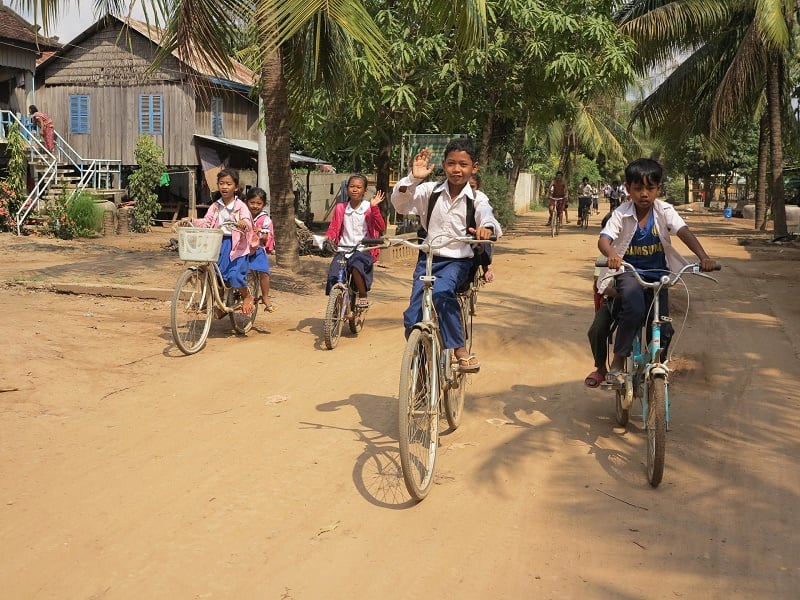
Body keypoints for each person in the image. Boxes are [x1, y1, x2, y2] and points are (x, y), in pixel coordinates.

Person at [597, 158, 717, 383]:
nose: (644, 194)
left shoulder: (665, 211)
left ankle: (656, 362)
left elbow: (683, 231)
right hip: (629, 272)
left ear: (658, 188)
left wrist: (704, 257)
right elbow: (604, 239)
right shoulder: (621, 214)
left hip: (658, 274)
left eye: (650, 188)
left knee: (664, 326)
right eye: (638, 188)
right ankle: (618, 361)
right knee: (632, 309)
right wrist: (612, 255)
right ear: (628, 189)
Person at [391, 138, 501, 373]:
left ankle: (460, 350)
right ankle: (420, 370)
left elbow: (487, 215)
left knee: (442, 294)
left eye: (463, 164)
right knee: (412, 318)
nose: (456, 169)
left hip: (458, 262)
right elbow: (400, 204)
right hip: (428, 260)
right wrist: (413, 178)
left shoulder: (477, 199)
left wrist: (487, 229)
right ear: (444, 165)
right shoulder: (429, 192)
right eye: (451, 163)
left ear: (474, 167)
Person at [187, 168, 255, 315]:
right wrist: (191, 221)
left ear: (235, 187)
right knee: (217, 277)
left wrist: (243, 222)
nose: (224, 186)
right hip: (217, 244)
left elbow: (247, 221)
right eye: (221, 183)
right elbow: (207, 222)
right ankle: (220, 302)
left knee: (235, 276)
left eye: (228, 184)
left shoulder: (240, 206)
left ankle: (247, 296)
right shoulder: (215, 206)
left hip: (237, 247)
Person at [325, 174, 386, 308]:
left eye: (358, 187)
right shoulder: (341, 208)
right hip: (343, 248)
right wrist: (327, 239)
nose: (355, 189)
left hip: (362, 249)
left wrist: (375, 208)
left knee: (356, 266)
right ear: (347, 189)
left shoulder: (369, 207)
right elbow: (334, 228)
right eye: (352, 186)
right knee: (333, 273)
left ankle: (363, 295)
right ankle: (335, 304)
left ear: (364, 190)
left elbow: (381, 227)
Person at [245, 187, 276, 313]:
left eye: (259, 203)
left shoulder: (265, 219)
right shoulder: (242, 215)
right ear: (246, 202)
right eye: (252, 202)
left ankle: (265, 296)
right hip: (242, 249)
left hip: (257, 249)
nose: (255, 206)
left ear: (264, 204)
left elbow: (266, 236)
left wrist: (259, 233)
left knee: (264, 271)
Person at [468, 174, 495, 283]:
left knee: (482, 243)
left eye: (472, 186)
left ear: (477, 187)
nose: (468, 190)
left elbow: (485, 213)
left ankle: (486, 269)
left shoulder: (480, 198)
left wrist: (485, 227)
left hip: (475, 231)